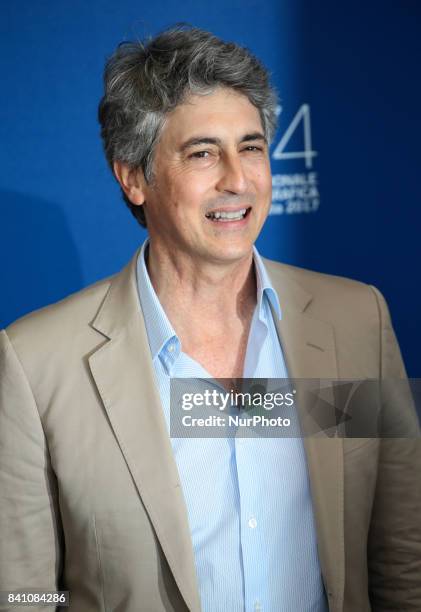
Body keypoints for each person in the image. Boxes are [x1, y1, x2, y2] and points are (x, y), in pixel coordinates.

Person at [0, 25, 420, 612]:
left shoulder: (356, 322)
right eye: (202, 153)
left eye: (250, 147)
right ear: (133, 176)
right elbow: (22, 594)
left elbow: (402, 555)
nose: (238, 179)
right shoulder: (36, 362)